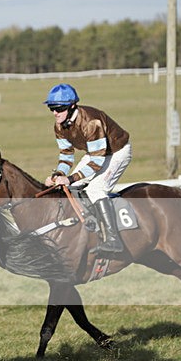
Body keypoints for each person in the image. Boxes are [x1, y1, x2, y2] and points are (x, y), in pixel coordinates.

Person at [42, 83, 132, 254]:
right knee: (71, 188)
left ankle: (114, 239)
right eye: (51, 108)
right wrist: (58, 175)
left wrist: (69, 178)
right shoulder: (59, 125)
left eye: (59, 108)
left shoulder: (91, 122)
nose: (55, 112)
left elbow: (97, 162)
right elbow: (66, 155)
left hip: (117, 152)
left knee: (96, 190)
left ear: (72, 106)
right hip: (95, 153)